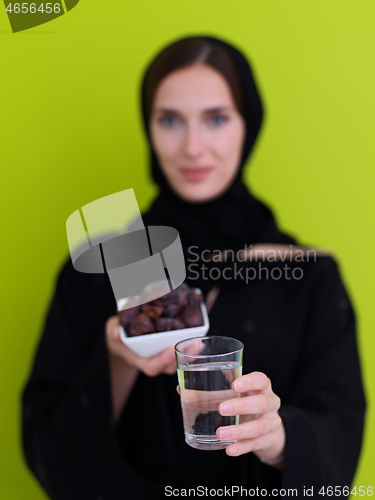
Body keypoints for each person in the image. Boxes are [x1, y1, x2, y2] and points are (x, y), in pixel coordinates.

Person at [21, 36, 366, 500]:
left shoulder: (307, 274)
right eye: (169, 120)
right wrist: (118, 361)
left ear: (249, 125)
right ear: (149, 127)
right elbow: (47, 449)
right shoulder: (100, 265)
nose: (192, 148)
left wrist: (277, 437)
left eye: (217, 119)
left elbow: (340, 439)